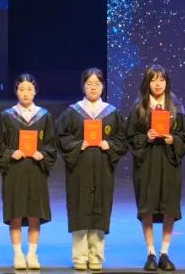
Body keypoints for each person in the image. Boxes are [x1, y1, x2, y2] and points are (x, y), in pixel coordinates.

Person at [56, 67, 127, 273]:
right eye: (89, 84)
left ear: (103, 86)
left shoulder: (111, 113)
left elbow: (122, 139)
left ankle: (96, 255)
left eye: (97, 84)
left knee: (100, 207)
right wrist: (79, 144)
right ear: (83, 86)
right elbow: (61, 137)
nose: (93, 88)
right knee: (80, 207)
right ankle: (80, 256)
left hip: (103, 167)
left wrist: (109, 145)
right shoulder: (73, 112)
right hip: (80, 168)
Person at [126, 65, 185, 272]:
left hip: (169, 162)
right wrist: (146, 137)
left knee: (169, 206)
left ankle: (164, 252)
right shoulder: (139, 107)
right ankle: (151, 252)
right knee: (148, 206)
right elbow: (130, 137)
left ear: (166, 82)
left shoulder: (176, 106)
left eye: (161, 79)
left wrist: (173, 139)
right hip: (147, 162)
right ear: (147, 83)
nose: (157, 84)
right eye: (153, 80)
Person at [0, 73, 56, 271]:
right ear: (16, 91)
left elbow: (51, 145)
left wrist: (43, 154)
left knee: (34, 214)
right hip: (15, 171)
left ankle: (32, 254)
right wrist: (10, 153)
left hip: (36, 171)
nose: (25, 93)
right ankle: (17, 254)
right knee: (15, 214)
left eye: (29, 89)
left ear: (35, 91)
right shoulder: (7, 116)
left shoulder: (44, 116)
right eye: (21, 89)